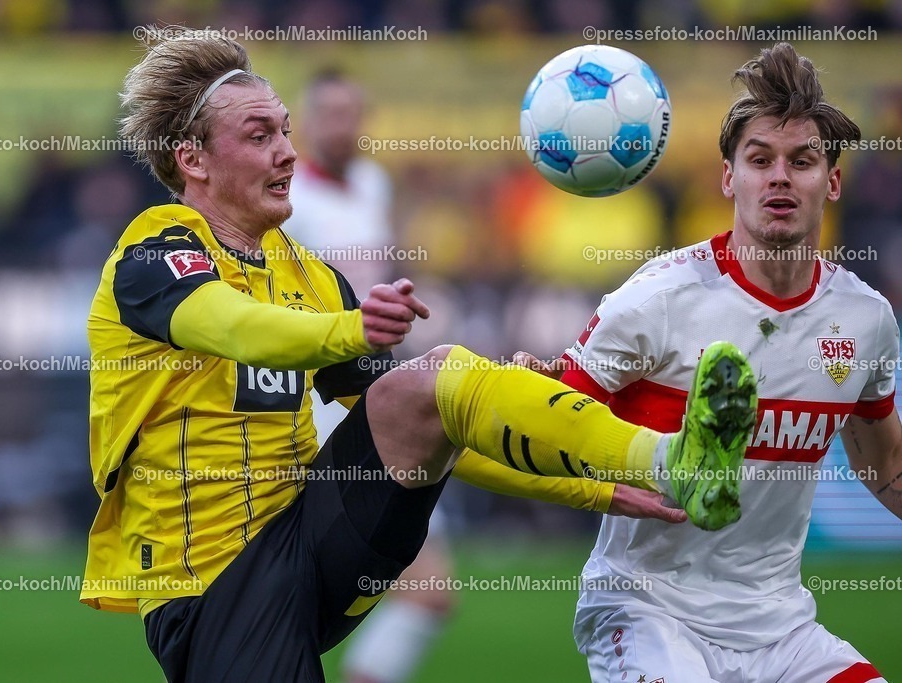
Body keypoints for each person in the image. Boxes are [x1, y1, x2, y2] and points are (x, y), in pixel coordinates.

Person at [79, 29, 758, 682]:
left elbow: (438, 437)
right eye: (261, 136)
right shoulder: (153, 254)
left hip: (311, 538)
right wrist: (352, 329)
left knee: (434, 383)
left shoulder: (312, 278)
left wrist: (599, 489)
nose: (288, 151)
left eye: (286, 129)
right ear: (193, 159)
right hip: (209, 583)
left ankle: (669, 459)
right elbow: (235, 328)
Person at [527, 43, 899, 683]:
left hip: (780, 626)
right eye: (760, 160)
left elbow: (885, 464)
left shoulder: (865, 321)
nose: (780, 177)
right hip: (646, 611)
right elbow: (554, 421)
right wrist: (537, 396)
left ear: (832, 181)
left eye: (802, 161)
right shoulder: (659, 297)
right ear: (729, 177)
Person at [282, 70, 451, 683]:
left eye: (350, 112)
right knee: (422, 591)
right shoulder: (288, 198)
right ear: (303, 122)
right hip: (327, 402)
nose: (341, 125)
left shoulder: (372, 183)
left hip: (380, 386)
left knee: (411, 593)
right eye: (328, 113)